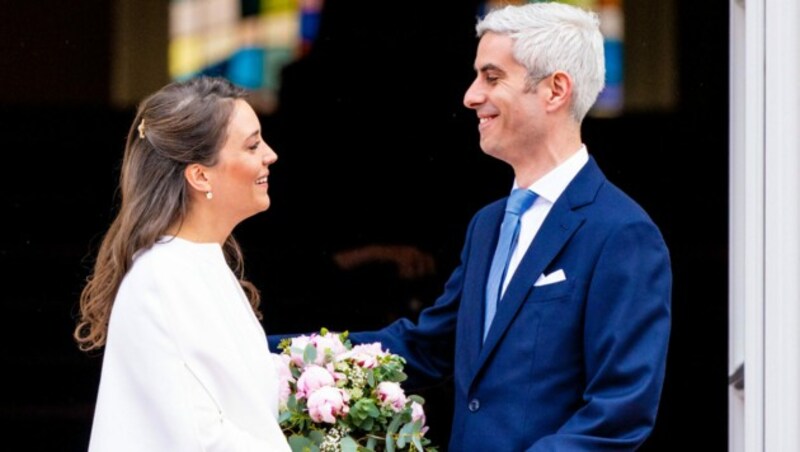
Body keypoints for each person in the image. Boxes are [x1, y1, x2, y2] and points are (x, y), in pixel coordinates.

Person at [271, 2, 671, 450]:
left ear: (556, 90)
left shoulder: (622, 234)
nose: (471, 95)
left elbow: (618, 414)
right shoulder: (488, 225)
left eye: (492, 77)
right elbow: (426, 348)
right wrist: (261, 349)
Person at [74, 76, 291, 451]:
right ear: (199, 174)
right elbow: (199, 435)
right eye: (253, 145)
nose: (270, 154)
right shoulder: (161, 278)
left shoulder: (199, 263)